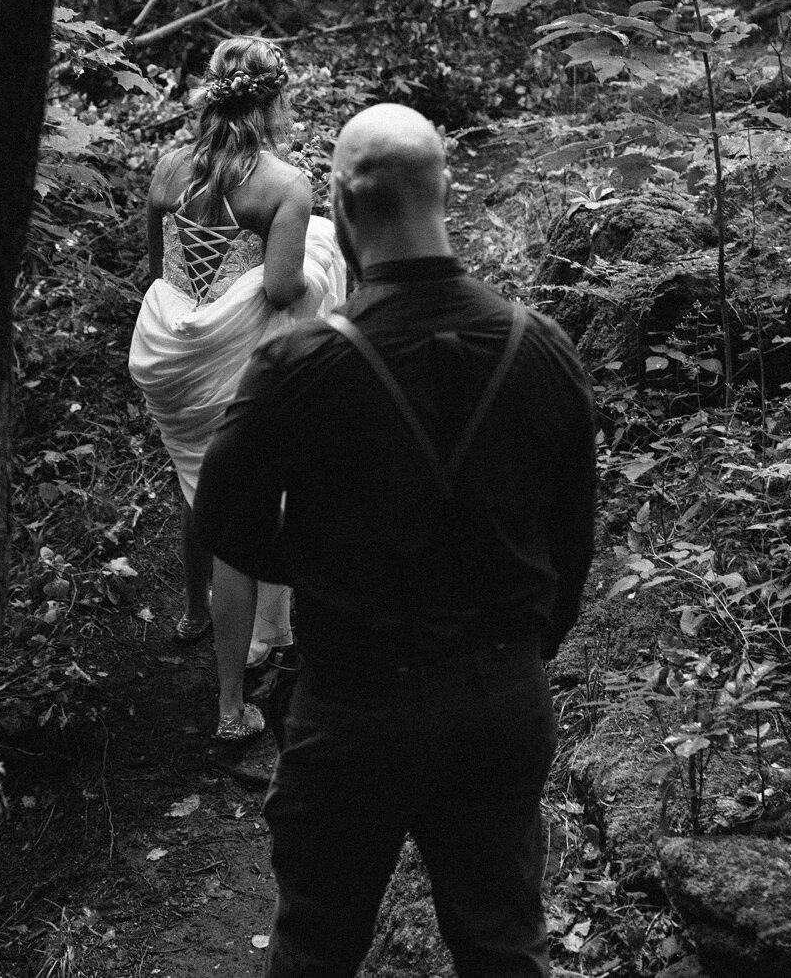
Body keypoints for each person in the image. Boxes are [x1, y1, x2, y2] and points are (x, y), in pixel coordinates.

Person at [191, 102, 596, 978]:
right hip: (498, 697)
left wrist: (310, 569)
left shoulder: (298, 369)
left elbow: (221, 517)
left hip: (353, 706)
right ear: (446, 189)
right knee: (502, 947)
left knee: (318, 944)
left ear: (337, 202)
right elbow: (574, 549)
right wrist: (517, 651)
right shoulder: (545, 350)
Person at [127, 38, 348, 742]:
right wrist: (324, 263)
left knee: (191, 478)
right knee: (238, 515)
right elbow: (282, 288)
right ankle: (230, 708)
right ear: (271, 101)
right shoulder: (284, 184)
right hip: (230, 362)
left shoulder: (166, 167)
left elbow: (161, 270)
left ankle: (193, 612)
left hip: (170, 355)